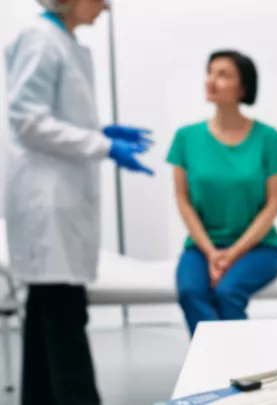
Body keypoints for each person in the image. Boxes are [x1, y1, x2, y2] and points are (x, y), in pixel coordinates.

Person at [4, 1, 154, 404]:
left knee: (45, 319)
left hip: (58, 199)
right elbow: (27, 121)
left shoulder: (62, 41)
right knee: (64, 317)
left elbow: (53, 115)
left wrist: (99, 131)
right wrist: (103, 144)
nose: (107, 6)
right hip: (45, 203)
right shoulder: (41, 39)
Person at [167, 50, 277, 336]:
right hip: (201, 246)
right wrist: (211, 253)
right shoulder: (186, 137)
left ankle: (239, 369)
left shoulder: (268, 138)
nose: (211, 80)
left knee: (227, 292)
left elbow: (273, 206)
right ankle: (218, 367)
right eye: (210, 72)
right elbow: (183, 202)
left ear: (243, 87)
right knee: (190, 291)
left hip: (259, 247)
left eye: (223, 75)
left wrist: (231, 254)